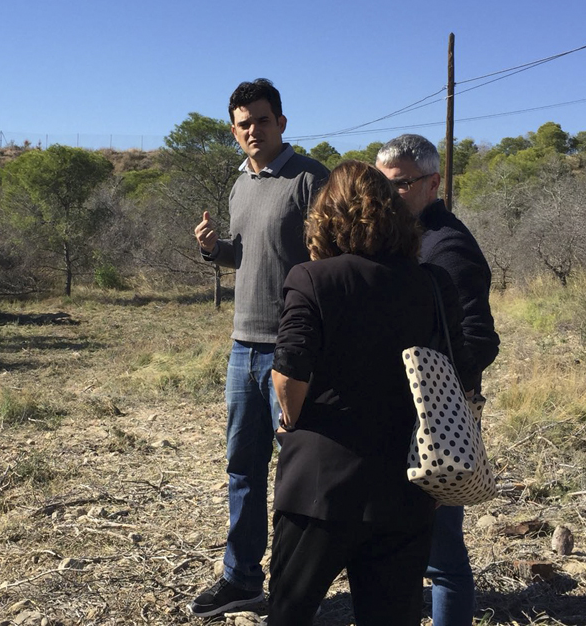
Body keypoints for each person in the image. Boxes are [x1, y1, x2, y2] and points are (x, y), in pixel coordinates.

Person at [268, 161, 477, 626]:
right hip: (406, 484)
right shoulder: (433, 282)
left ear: (325, 218)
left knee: (290, 612)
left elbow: (288, 372)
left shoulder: (312, 278)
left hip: (319, 487)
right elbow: (462, 373)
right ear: (395, 217)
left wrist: (291, 422)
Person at [189, 79, 329, 617]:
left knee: (299, 475)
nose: (253, 130)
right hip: (241, 350)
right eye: (244, 124)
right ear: (234, 131)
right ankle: (242, 579)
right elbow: (249, 256)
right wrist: (213, 251)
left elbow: (328, 259)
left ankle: (299, 588)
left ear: (282, 123)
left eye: (262, 121)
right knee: (242, 469)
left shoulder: (310, 179)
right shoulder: (239, 185)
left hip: (291, 352)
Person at [376, 134, 500, 626]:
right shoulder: (406, 236)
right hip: (406, 414)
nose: (389, 197)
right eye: (382, 186)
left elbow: (479, 341)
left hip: (432, 420)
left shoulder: (448, 245)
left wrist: (442, 391)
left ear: (433, 183)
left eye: (401, 185)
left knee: (442, 557)